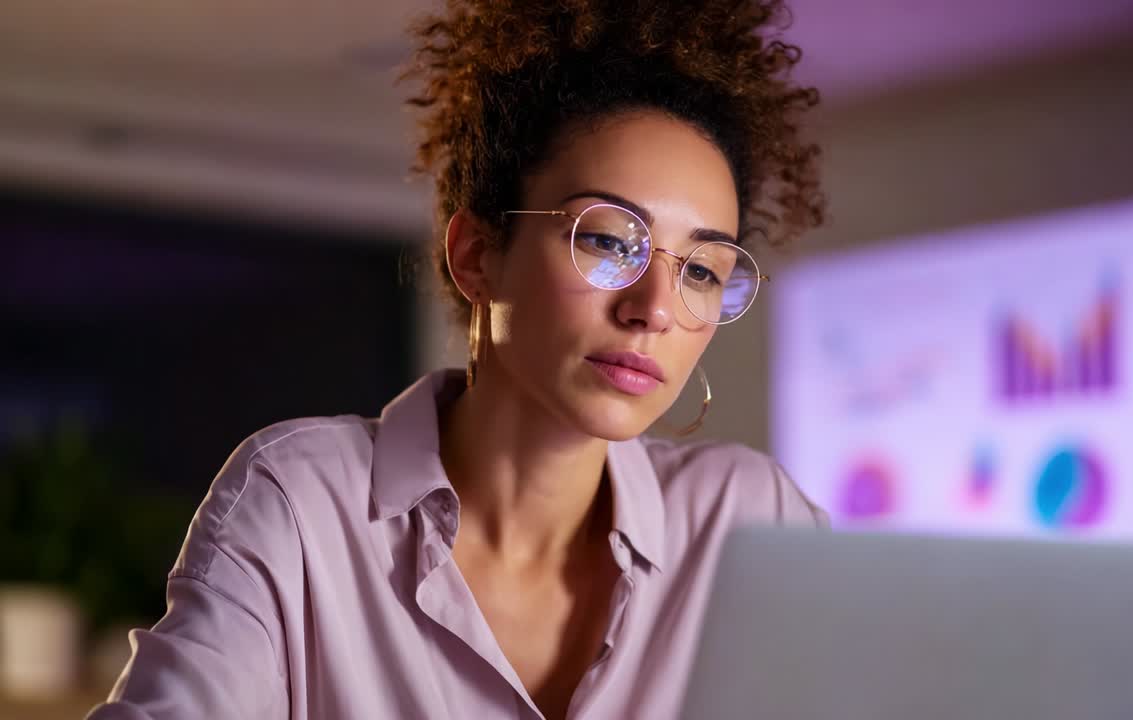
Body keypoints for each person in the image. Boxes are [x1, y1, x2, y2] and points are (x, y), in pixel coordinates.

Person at [88, 1, 827, 718]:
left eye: (702, 269)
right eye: (608, 241)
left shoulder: (749, 521)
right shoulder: (303, 503)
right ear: (478, 255)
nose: (656, 308)